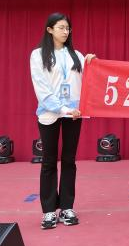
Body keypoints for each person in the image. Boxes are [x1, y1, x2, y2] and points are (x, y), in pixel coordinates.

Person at [30, 13, 94, 229]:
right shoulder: (38, 55)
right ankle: (48, 211)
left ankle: (67, 206)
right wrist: (62, 108)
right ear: (49, 30)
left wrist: (92, 63)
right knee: (49, 160)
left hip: (73, 114)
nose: (65, 32)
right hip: (50, 113)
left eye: (68, 28)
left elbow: (90, 79)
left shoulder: (77, 56)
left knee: (69, 160)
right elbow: (41, 87)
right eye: (61, 28)